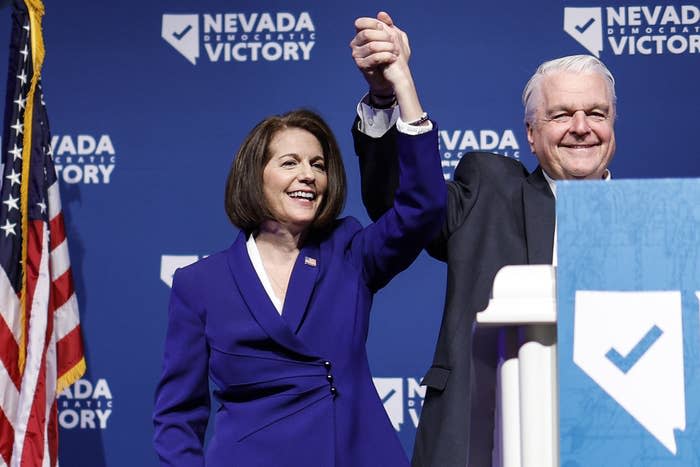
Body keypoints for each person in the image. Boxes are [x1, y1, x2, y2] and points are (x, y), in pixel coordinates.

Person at [152, 35, 446, 466]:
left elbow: (422, 208)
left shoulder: (349, 252)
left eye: (318, 164)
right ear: (256, 176)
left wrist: (400, 85)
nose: (308, 175)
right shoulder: (200, 284)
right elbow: (178, 416)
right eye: (290, 163)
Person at [351, 12, 616, 467]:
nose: (581, 126)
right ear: (531, 135)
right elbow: (404, 205)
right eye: (560, 115)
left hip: (614, 436)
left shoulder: (656, 225)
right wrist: (389, 93)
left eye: (596, 113)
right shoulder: (490, 191)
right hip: (489, 436)